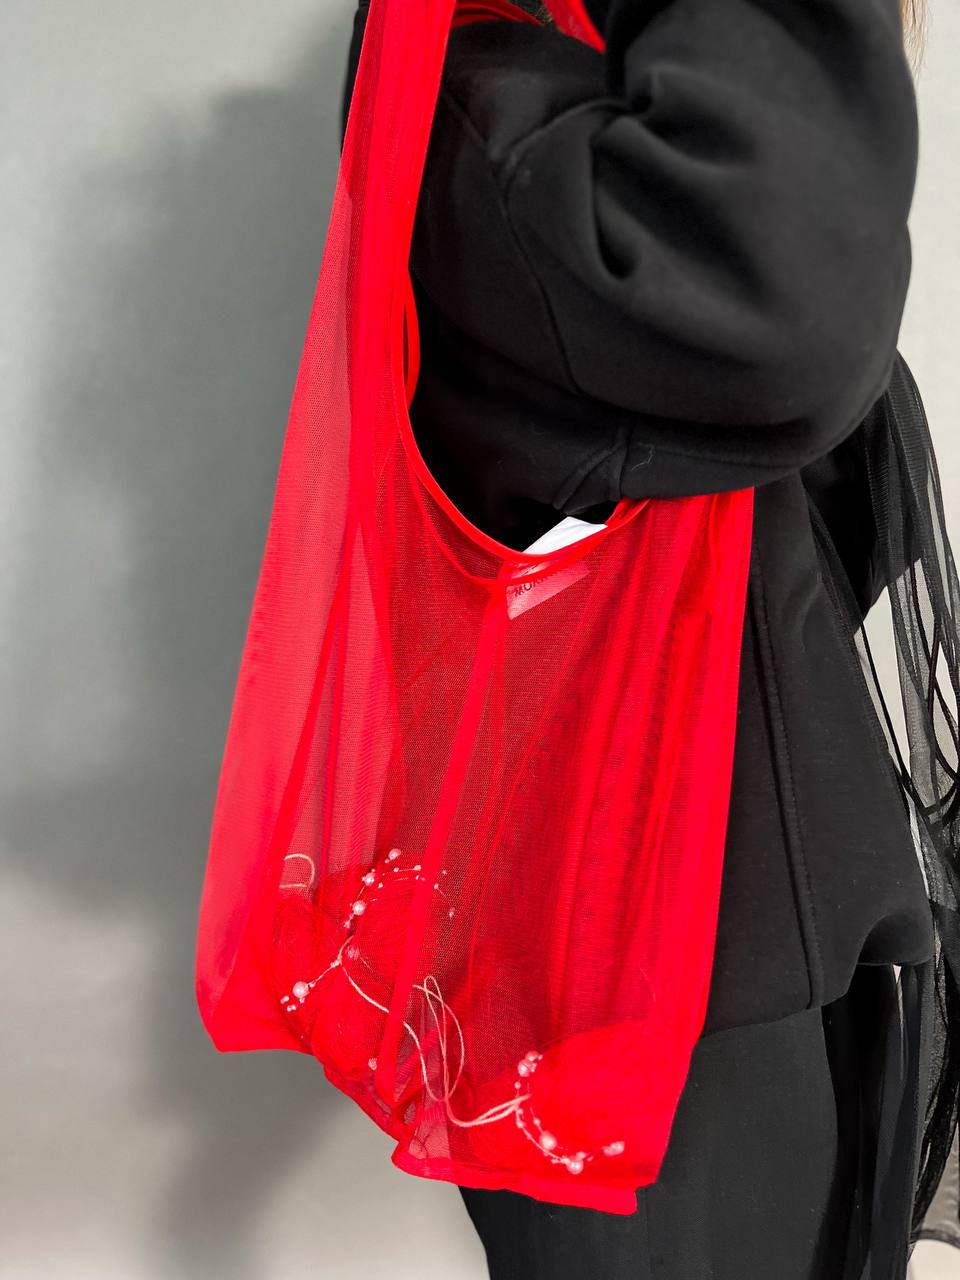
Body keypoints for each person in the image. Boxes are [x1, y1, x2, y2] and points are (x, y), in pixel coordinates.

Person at [337, 1, 959, 1276]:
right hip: (654, 976)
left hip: (753, 913)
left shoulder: (549, 89)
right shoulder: (485, 83)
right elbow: (788, 307)